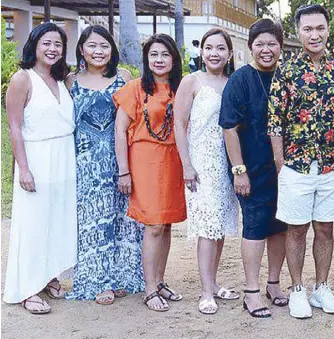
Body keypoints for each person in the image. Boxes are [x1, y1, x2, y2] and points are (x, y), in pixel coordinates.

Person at [267, 4, 334, 319]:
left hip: (331, 164)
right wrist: (280, 160)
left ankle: (322, 288)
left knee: (325, 228)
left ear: (328, 29)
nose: (314, 34)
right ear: (298, 31)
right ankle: (297, 289)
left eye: (319, 28)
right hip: (295, 164)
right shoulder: (286, 70)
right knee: (296, 229)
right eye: (307, 29)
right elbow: (274, 119)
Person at [63, 25, 144, 306]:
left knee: (123, 219)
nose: (99, 51)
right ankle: (98, 279)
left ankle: (122, 276)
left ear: (113, 50)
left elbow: (133, 121)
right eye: (92, 46)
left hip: (120, 158)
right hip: (85, 163)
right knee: (92, 220)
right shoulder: (70, 81)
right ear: (82, 50)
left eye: (104, 46)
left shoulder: (123, 77)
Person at [3, 22, 76, 315]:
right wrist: (24, 169)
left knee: (58, 220)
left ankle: (49, 277)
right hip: (37, 156)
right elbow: (14, 127)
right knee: (33, 224)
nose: (52, 49)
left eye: (58, 44)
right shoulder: (23, 79)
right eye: (46, 43)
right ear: (34, 44)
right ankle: (27, 288)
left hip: (64, 156)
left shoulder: (62, 80)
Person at [219, 18, 288, 319]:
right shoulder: (241, 79)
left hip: (284, 169)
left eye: (272, 43)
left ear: (280, 47)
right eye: (259, 44)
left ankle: (273, 284)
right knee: (256, 226)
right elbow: (229, 128)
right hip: (252, 168)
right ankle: (251, 291)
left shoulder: (286, 77)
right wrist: (239, 170)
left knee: (281, 227)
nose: (266, 49)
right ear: (249, 48)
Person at [113, 33, 186, 312]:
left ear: (173, 59)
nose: (159, 60)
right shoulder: (134, 88)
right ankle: (149, 288)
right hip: (145, 160)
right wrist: (123, 171)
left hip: (173, 160)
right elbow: (120, 131)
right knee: (153, 224)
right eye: (153, 54)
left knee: (165, 223)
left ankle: (160, 280)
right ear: (146, 59)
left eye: (165, 54)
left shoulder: (181, 88)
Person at [173, 28, 240, 315]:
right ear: (201, 52)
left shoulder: (233, 82)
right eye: (209, 47)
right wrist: (187, 164)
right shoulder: (192, 81)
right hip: (202, 162)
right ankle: (204, 291)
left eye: (221, 48)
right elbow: (179, 123)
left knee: (221, 225)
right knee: (207, 227)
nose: (215, 53)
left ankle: (213, 283)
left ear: (230, 53)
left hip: (228, 163)